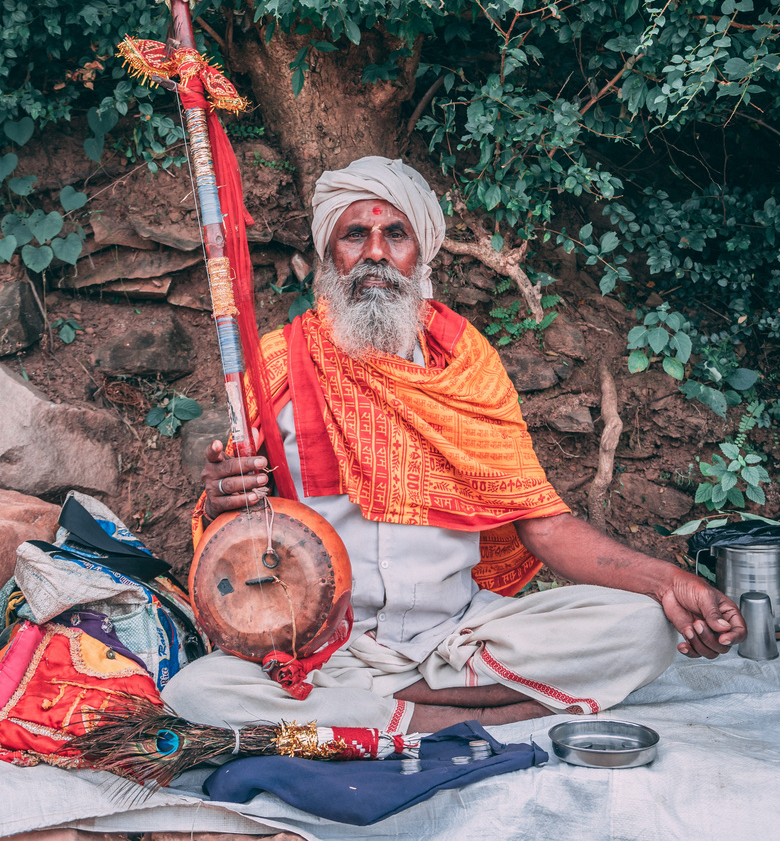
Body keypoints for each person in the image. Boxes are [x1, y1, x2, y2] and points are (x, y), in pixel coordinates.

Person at [164, 157, 746, 735]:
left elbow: (542, 526)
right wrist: (221, 503)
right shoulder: (275, 367)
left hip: (459, 636)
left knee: (644, 628)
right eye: (355, 235)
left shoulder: (468, 367)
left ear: (421, 254)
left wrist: (670, 581)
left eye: (396, 235)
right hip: (323, 647)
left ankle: (388, 714)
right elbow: (234, 544)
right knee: (198, 694)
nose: (374, 253)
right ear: (328, 254)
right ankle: (474, 714)